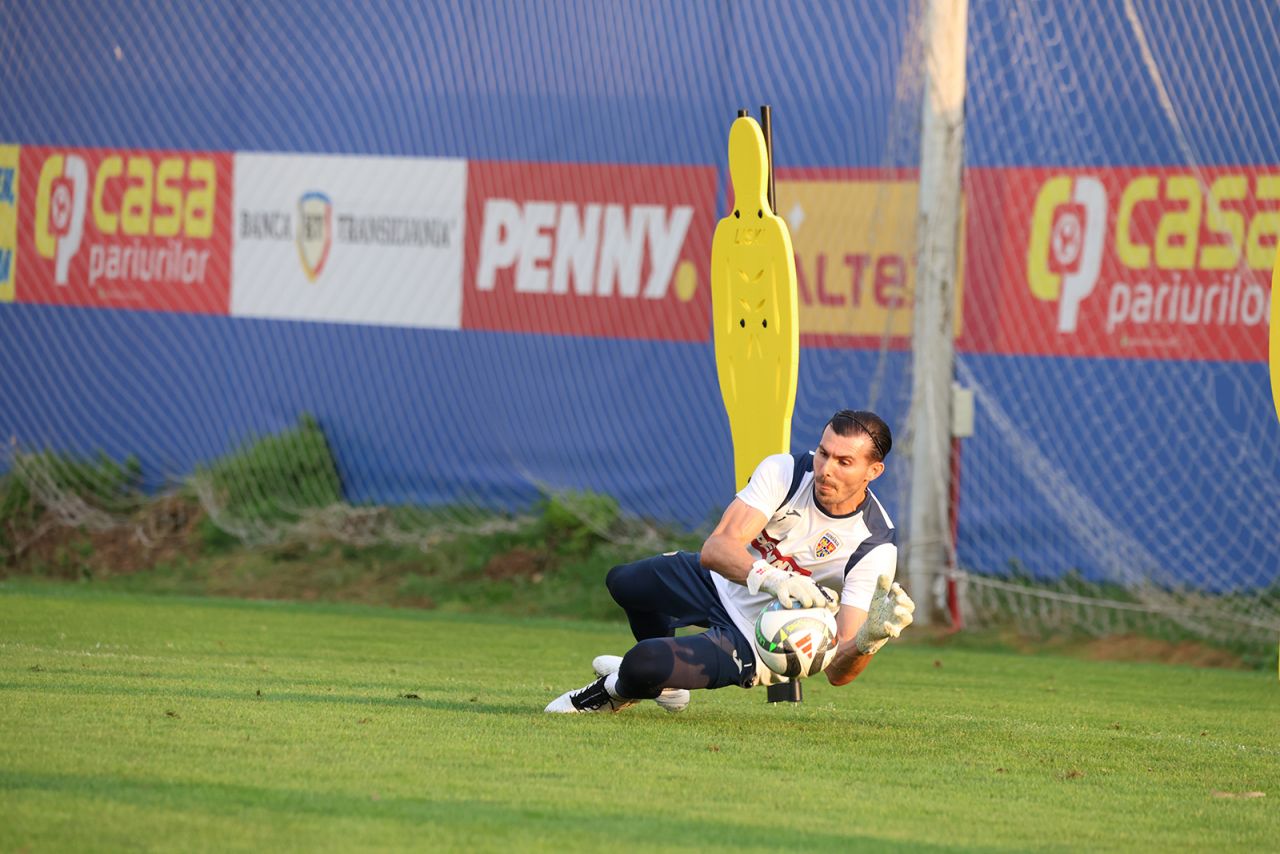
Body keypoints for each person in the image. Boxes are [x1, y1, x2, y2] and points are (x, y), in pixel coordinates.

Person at [545, 409, 915, 714]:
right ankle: (666, 685)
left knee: (643, 662)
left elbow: (838, 673)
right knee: (623, 582)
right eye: (823, 453)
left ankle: (615, 691)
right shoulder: (786, 472)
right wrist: (775, 580)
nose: (825, 469)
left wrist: (867, 641)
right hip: (721, 581)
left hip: (756, 638)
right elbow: (716, 549)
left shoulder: (874, 545)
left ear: (873, 471)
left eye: (844, 461)